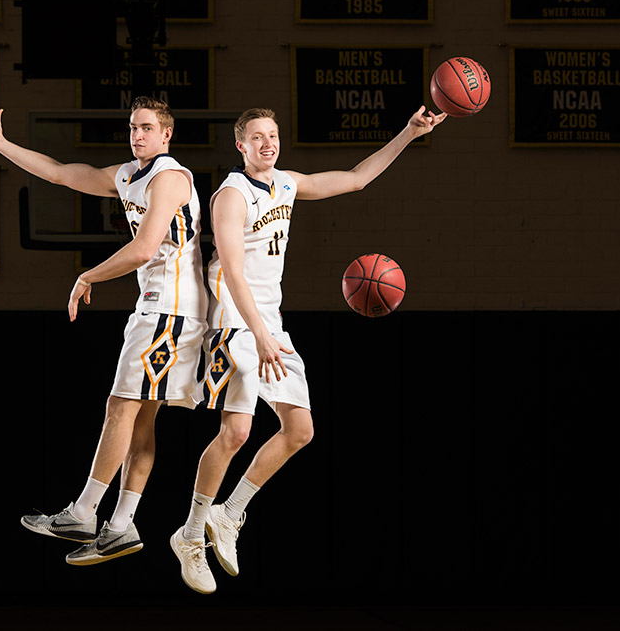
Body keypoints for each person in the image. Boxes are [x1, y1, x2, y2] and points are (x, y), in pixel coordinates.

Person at [170, 106, 446, 593]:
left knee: (299, 430)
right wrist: (256, 332)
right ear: (241, 146)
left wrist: (409, 131)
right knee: (235, 433)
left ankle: (228, 514)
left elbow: (357, 178)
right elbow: (232, 272)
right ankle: (190, 535)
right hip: (235, 319)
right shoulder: (231, 196)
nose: (267, 144)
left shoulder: (286, 184)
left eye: (272, 136)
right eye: (256, 138)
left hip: (269, 321)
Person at [0, 97, 209, 565]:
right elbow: (59, 171)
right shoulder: (128, 176)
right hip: (166, 310)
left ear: (166, 135)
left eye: (147, 128)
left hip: (169, 311)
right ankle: (120, 526)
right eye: (133, 127)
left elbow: (143, 248)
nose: (137, 135)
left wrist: (86, 276)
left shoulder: (171, 178)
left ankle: (83, 512)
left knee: (121, 408)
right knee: (140, 419)